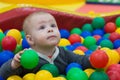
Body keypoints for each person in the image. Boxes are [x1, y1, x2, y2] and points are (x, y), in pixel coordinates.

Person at [0, 11, 93, 79]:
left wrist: (92, 58)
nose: (50, 29)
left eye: (53, 26)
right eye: (42, 27)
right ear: (30, 39)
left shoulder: (63, 52)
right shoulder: (25, 58)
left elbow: (80, 60)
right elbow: (3, 74)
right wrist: (14, 64)